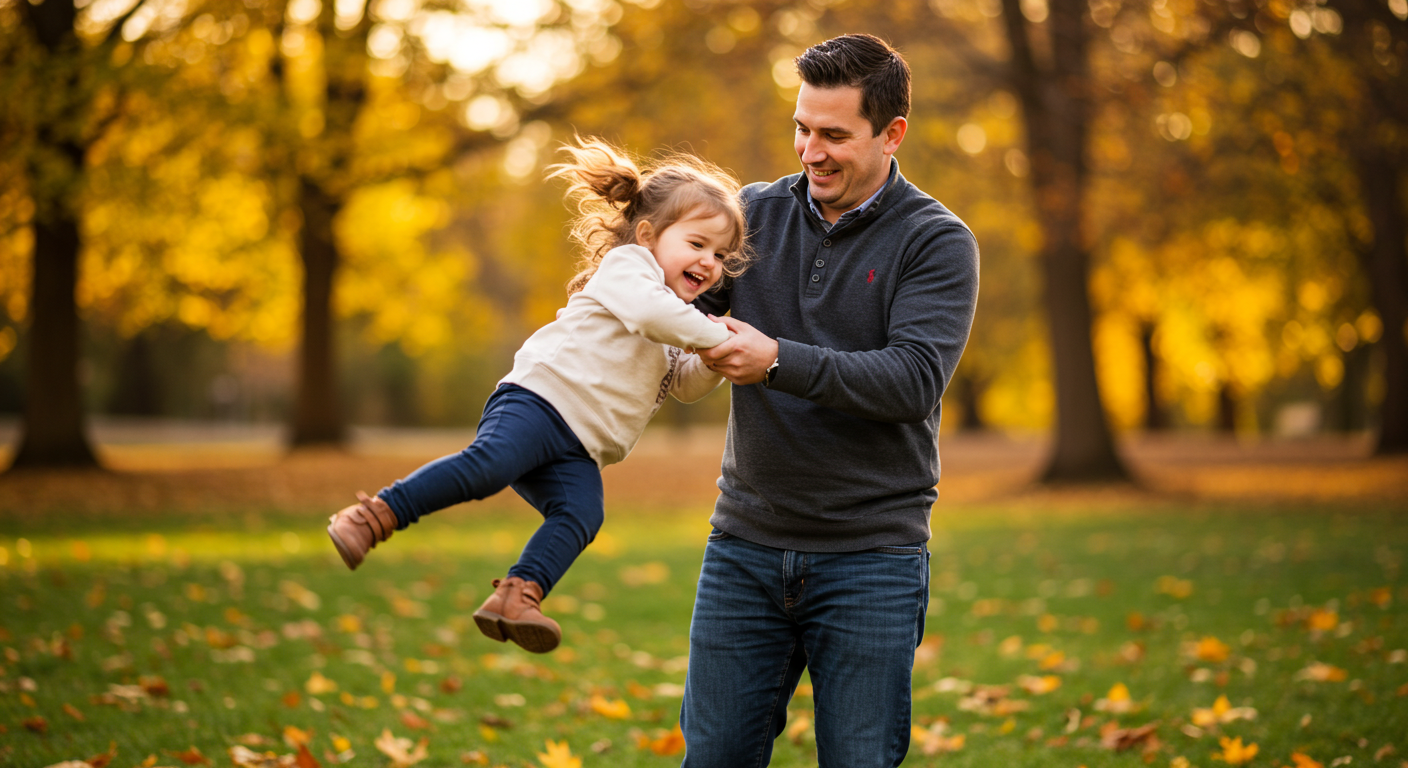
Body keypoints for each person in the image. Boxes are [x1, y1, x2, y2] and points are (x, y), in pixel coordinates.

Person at [325, 137, 751, 654]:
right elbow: (649, 315)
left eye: (721, 255)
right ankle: (374, 516)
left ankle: (518, 595)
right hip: (539, 402)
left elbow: (682, 383)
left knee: (581, 514)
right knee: (488, 467)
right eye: (697, 244)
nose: (710, 263)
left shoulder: (678, 318)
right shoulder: (630, 270)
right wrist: (716, 336)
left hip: (580, 446)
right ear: (648, 235)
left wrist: (717, 361)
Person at [682, 34, 980, 767]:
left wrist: (778, 360)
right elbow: (676, 298)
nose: (810, 152)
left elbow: (911, 380)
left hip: (870, 558)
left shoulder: (936, 241)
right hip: (743, 547)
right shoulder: (749, 215)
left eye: (834, 135)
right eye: (802, 129)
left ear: (892, 134)